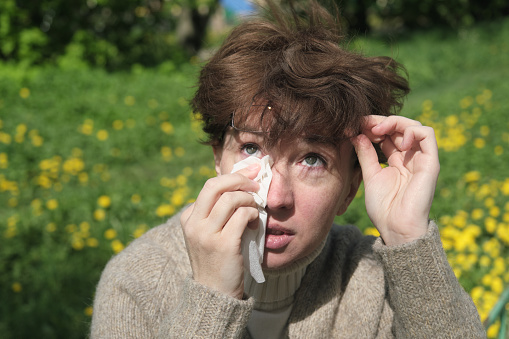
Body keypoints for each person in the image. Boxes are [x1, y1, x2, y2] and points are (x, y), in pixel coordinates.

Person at [90, 1, 485, 338]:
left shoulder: (376, 281)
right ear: (217, 158)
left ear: (350, 188)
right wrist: (212, 301)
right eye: (250, 148)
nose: (276, 198)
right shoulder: (137, 285)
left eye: (312, 159)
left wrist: (407, 241)